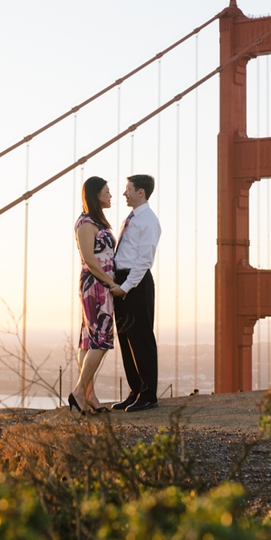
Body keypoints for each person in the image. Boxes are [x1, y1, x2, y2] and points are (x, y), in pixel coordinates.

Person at [68, 176, 120, 414]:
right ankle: (79, 393)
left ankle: (89, 396)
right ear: (95, 194)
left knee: (89, 340)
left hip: (97, 283)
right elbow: (90, 259)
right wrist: (110, 283)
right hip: (97, 285)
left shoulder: (94, 221)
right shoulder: (87, 222)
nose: (111, 195)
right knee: (101, 339)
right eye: (107, 191)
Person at [111, 174, 162, 412]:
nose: (124, 193)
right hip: (123, 281)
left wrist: (126, 286)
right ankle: (136, 391)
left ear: (140, 192)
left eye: (128, 189)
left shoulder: (149, 221)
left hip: (136, 282)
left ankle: (148, 394)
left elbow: (144, 261)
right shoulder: (131, 218)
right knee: (126, 339)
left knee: (141, 338)